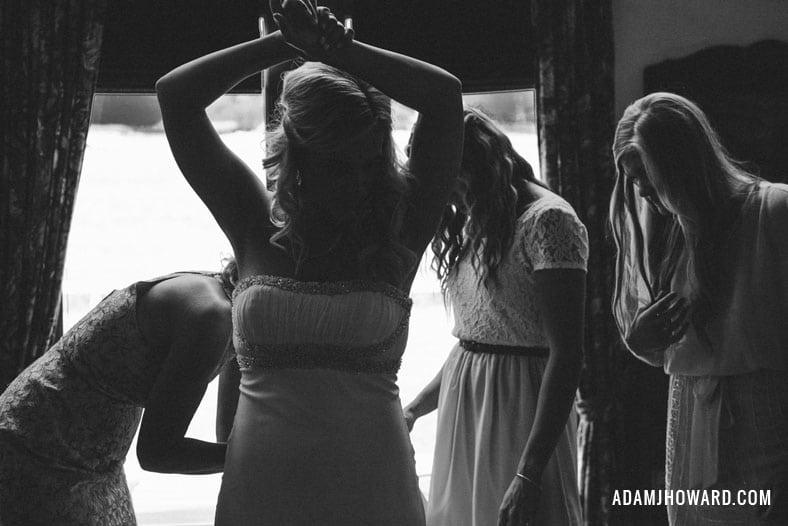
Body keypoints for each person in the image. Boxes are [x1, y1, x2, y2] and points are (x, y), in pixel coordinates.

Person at [155, 0, 463, 524]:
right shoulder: (253, 223)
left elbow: (444, 97)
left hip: (373, 487)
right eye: (339, 167)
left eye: (371, 163)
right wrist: (285, 43)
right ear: (297, 158)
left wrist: (336, 47)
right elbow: (175, 95)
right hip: (260, 491)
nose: (361, 182)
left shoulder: (399, 234)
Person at [610, 92, 788, 525]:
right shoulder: (667, 228)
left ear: (684, 165)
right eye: (633, 180)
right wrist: (639, 341)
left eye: (649, 177)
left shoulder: (774, 211)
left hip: (763, 409)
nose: (642, 192)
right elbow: (660, 340)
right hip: (688, 406)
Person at [403, 108, 586, 526]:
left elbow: (568, 355)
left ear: (475, 166)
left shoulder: (549, 221)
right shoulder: (481, 218)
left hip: (522, 412)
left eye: (450, 181)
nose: (447, 196)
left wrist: (529, 471)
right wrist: (415, 408)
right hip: (464, 413)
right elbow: (476, 339)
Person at [0, 264, 239, 526]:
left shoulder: (221, 298)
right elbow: (157, 452)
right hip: (43, 449)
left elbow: (228, 433)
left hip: (92, 458)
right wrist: (263, 456)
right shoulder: (211, 315)